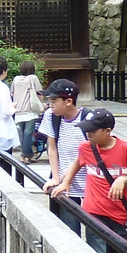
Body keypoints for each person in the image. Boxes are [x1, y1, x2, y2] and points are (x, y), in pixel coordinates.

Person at [52, 107, 127, 253]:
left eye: (92, 131)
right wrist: (66, 182)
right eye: (86, 130)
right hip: (94, 211)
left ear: (107, 131)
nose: (88, 134)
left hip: (120, 213)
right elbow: (78, 163)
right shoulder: (86, 148)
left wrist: (124, 179)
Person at [39, 79, 90, 232]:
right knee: (68, 230)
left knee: (95, 231)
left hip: (87, 181)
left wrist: (67, 175)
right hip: (63, 182)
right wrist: (55, 177)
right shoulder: (51, 116)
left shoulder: (88, 118)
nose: (51, 104)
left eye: (54, 100)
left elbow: (88, 151)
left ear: (68, 101)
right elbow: (52, 147)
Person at [10, 60, 44, 163]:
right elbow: (39, 93)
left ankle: (30, 156)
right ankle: (23, 156)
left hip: (18, 109)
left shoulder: (16, 79)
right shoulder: (33, 78)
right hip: (30, 109)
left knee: (25, 134)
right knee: (28, 133)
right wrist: (42, 105)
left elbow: (11, 93)